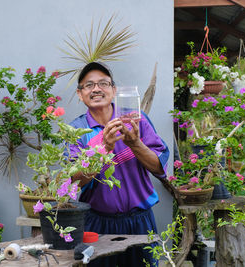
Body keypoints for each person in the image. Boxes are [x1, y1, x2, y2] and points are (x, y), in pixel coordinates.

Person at [69, 62, 169, 267]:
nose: (96, 89)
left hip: (140, 221)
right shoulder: (77, 130)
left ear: (114, 91)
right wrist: (103, 148)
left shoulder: (136, 121)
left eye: (103, 83)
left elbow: (159, 167)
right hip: (96, 223)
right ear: (80, 94)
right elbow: (75, 181)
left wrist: (135, 143)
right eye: (88, 85)